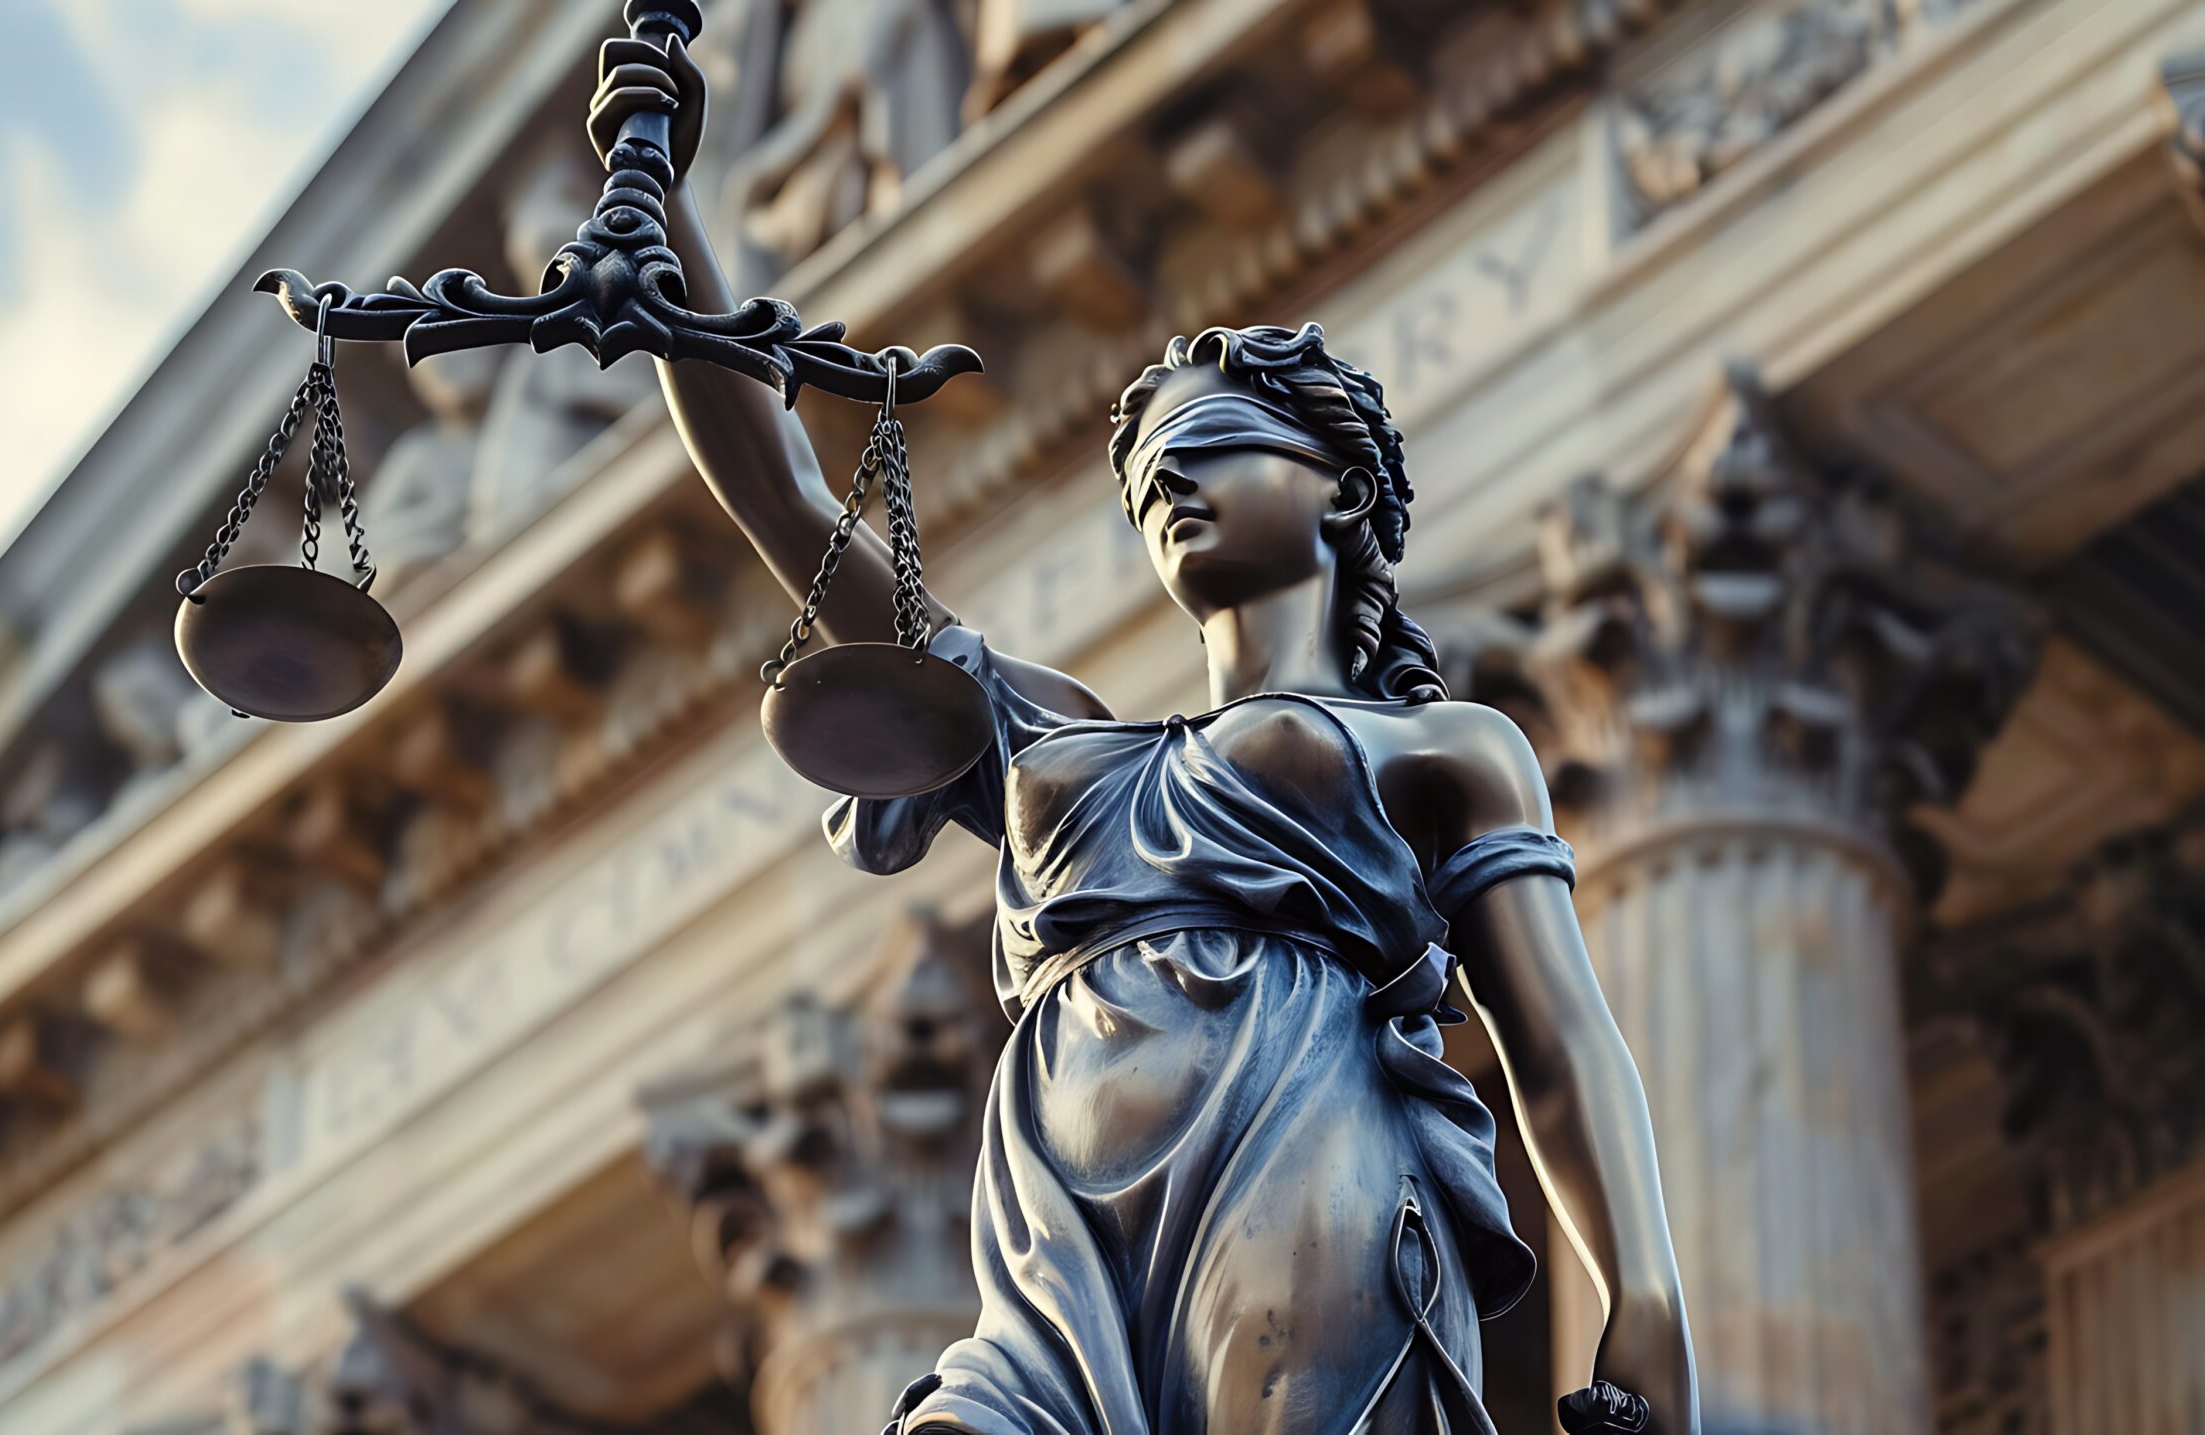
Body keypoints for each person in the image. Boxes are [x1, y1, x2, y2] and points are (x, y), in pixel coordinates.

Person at [590, 32, 1699, 1435]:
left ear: (1343, 495)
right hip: (1053, 1246)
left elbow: (1559, 1044)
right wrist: (665, 208)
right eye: (1151, 473)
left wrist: (1641, 1296)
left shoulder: (1444, 751)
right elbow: (793, 508)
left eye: (1214, 442)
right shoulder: (1054, 739)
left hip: (1298, 1169)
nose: (1172, 481)